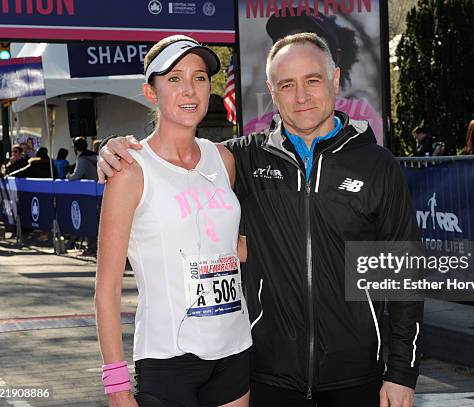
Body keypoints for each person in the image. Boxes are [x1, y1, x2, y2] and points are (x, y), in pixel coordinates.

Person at [98, 32, 423, 407]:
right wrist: (112, 148)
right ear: (272, 91)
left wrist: (402, 372)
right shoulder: (245, 159)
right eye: (287, 85)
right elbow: (171, 163)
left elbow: (404, 276)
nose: (301, 96)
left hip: (355, 375)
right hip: (266, 375)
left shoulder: (377, 165)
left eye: (312, 81)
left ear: (334, 79)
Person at [95, 35, 251, 407]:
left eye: (199, 78)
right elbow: (106, 288)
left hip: (235, 348)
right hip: (168, 358)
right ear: (151, 91)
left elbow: (230, 247)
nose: (190, 90)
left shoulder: (223, 159)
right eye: (174, 78)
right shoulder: (130, 169)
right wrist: (116, 385)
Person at [243, 8, 384, 145]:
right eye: (287, 45)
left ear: (335, 59)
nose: (299, 55)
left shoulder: (363, 117)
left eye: (312, 43)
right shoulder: (255, 132)